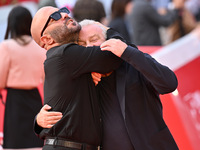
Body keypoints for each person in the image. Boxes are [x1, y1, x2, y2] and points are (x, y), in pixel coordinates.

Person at [36, 19, 179, 150]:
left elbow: (169, 83)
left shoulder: (132, 63)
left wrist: (127, 52)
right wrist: (38, 121)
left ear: (108, 40)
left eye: (94, 40)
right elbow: (62, 113)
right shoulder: (83, 82)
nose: (89, 47)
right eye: (81, 45)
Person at [30, 6, 130, 150]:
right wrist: (107, 30)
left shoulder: (64, 61)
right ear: (47, 39)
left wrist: (38, 122)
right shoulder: (64, 54)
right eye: (55, 17)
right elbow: (115, 54)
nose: (64, 15)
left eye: (62, 11)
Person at [0, 6, 45, 149]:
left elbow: (0, 80)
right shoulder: (40, 47)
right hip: (35, 99)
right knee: (35, 143)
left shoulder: (6, 46)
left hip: (15, 100)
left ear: (11, 23)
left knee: (14, 144)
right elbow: (46, 78)